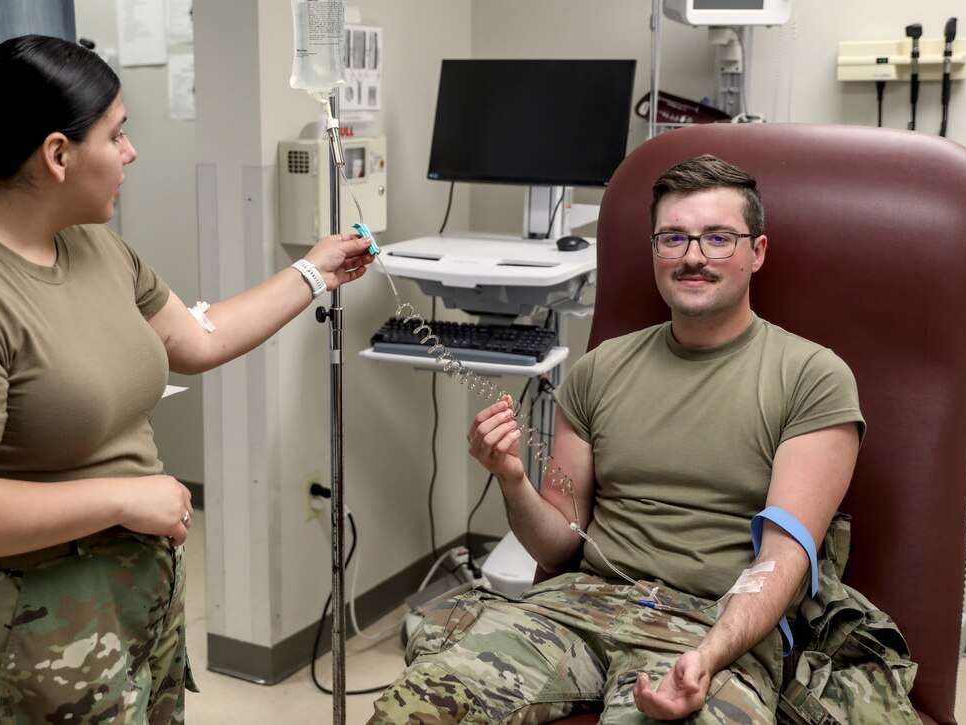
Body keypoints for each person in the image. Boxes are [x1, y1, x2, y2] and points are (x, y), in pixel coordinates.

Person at [0, 35, 373, 724]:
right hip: (34, 623)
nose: (131, 152)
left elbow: (197, 338)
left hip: (139, 589)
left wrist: (315, 272)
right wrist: (124, 499)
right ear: (57, 153)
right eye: (118, 134)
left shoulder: (92, 242)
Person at [369, 154, 865, 723]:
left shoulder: (812, 377)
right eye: (673, 238)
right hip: (579, 607)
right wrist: (511, 479)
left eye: (718, 239)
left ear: (757, 252)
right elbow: (560, 545)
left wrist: (708, 656)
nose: (693, 257)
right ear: (655, 251)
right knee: (413, 710)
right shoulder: (599, 371)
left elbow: (784, 559)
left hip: (714, 628)